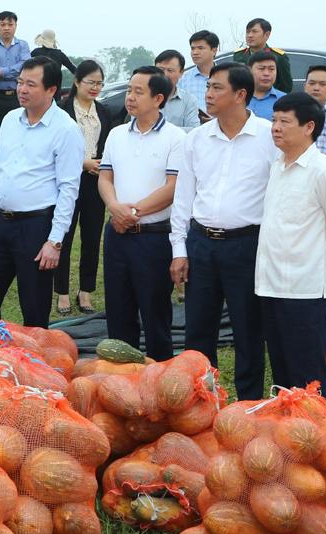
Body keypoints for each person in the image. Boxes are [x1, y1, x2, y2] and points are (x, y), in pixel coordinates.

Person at [170, 62, 276, 400]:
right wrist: (179, 250)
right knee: (198, 330)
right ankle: (202, 402)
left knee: (248, 329)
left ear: (240, 95)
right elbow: (183, 198)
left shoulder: (268, 137)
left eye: (217, 88)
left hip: (247, 244)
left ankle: (248, 403)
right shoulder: (197, 139)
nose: (208, 94)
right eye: (208, 87)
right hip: (201, 243)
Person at [0, 58, 85, 328]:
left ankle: (34, 354)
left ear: (51, 90)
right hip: (0, 223)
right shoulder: (10, 119)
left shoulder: (66, 130)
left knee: (34, 308)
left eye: (31, 84)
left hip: (36, 227)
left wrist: (55, 242)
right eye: (19, 82)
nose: (22, 89)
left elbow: (68, 189)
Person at [257, 93, 326, 398]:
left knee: (307, 374)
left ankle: (316, 426)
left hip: (306, 289)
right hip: (271, 284)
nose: (275, 127)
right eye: (274, 120)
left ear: (309, 127)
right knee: (282, 372)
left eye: (284, 121)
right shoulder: (277, 166)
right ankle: (288, 424)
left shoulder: (325, 172)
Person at [98, 67, 185, 361]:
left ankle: (161, 373)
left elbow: (172, 188)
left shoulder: (176, 137)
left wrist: (132, 212)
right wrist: (114, 207)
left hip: (153, 237)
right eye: (129, 90)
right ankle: (121, 375)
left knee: (155, 312)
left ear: (158, 98)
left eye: (138, 92)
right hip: (117, 234)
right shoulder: (117, 134)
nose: (130, 97)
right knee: (118, 310)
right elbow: (105, 178)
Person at [54, 60, 112, 316]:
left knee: (91, 236)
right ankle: (62, 292)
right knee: (63, 235)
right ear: (77, 82)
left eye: (99, 83)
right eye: (90, 82)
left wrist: (100, 164)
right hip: (67, 178)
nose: (95, 87)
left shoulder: (104, 111)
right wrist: (82, 163)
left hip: (94, 181)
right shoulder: (61, 110)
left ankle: (85, 290)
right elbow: (55, 148)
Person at [0, 11, 31, 124]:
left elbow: (25, 67)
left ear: (15, 26)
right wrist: (15, 73)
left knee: (19, 127)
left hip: (17, 96)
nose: (6, 28)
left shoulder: (23, 45)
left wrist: (1, 72)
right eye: (3, 24)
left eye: (10, 24)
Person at [233, 17, 292, 92]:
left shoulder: (279, 56)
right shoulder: (239, 55)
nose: (249, 35)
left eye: (254, 32)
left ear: (267, 34)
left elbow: (286, 86)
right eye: (248, 32)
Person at [154, 49, 201, 131]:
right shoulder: (144, 97)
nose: (165, 74)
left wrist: (162, 131)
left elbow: (194, 131)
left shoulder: (189, 100)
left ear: (181, 73)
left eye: (170, 70)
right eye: (161, 70)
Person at [178, 30, 219, 108]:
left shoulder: (226, 77)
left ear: (214, 51)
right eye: (192, 48)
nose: (195, 52)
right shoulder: (182, 79)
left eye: (200, 48)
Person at [246, 50, 285, 120]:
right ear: (249, 70)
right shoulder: (238, 97)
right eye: (261, 68)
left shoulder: (284, 100)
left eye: (271, 69)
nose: (266, 73)